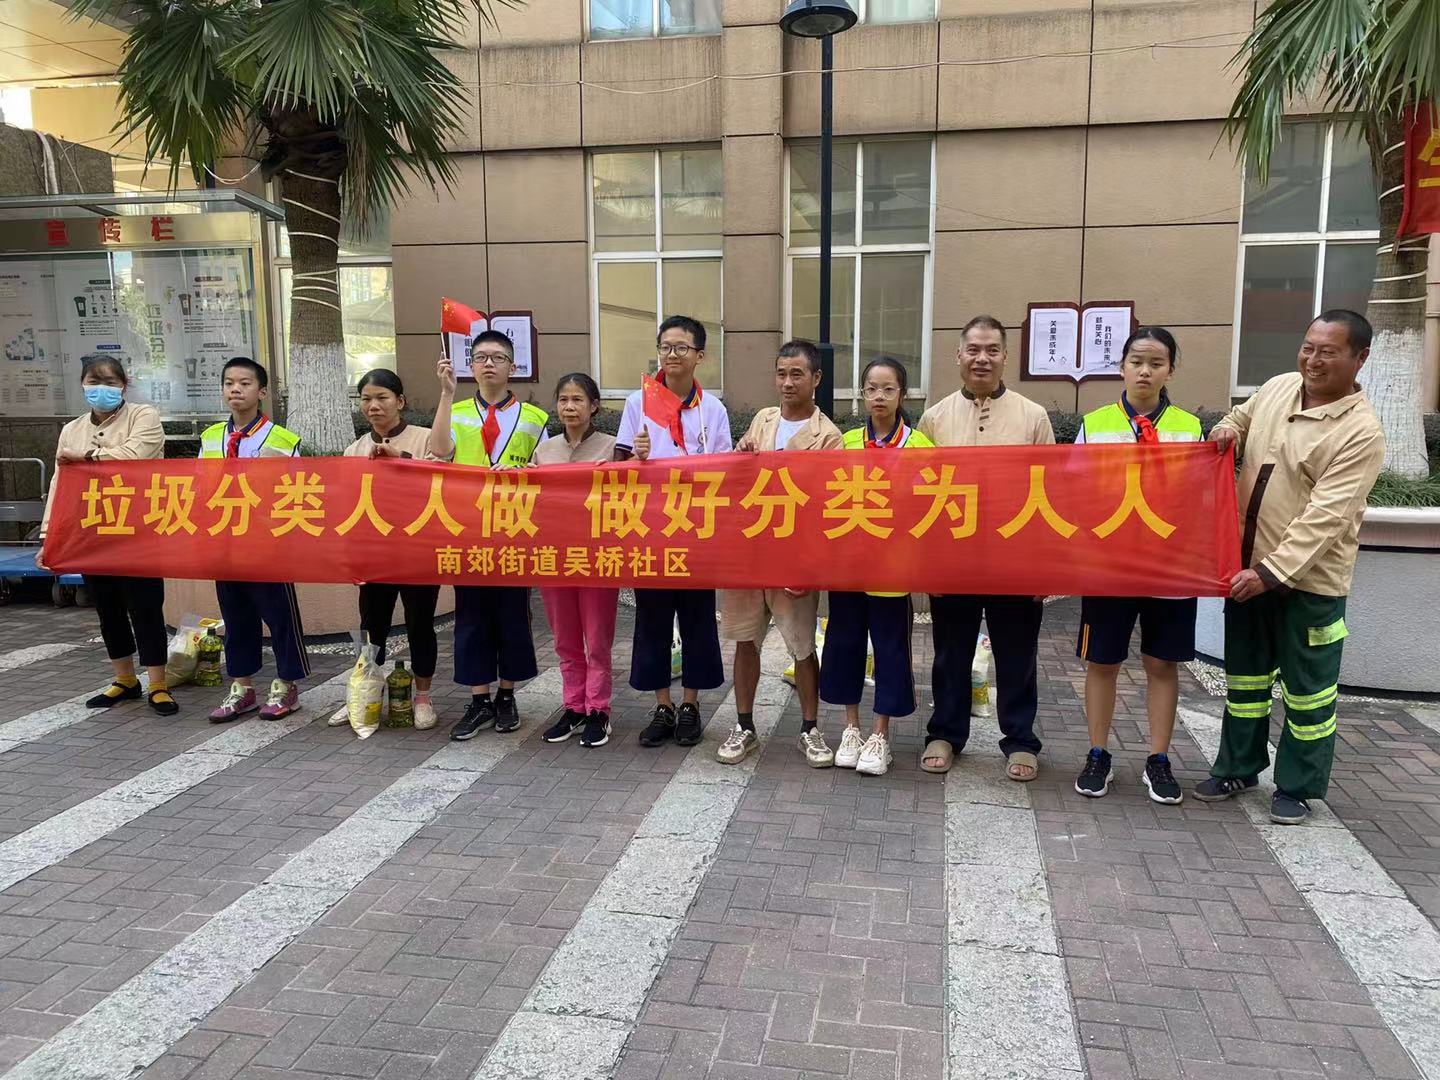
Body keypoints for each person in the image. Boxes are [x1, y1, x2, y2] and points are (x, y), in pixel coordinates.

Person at [1197, 310, 1385, 825]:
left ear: (1359, 358)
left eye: (1328, 352)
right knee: (1246, 682)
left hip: (1310, 585)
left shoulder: (1360, 432)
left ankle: (1297, 787)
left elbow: (1325, 520)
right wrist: (1227, 429)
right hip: (1247, 572)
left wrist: (1268, 574)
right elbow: (1242, 416)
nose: (1313, 360)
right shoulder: (1280, 387)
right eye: (1308, 347)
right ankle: (1238, 768)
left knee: (1308, 694)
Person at [917, 315, 1055, 781]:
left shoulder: (1033, 416)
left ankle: (1020, 740)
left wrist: (1045, 568)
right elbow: (920, 496)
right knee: (949, 654)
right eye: (973, 349)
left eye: (992, 350)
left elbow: (1051, 494)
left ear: (1005, 356)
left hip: (1015, 560)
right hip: (954, 560)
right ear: (958, 354)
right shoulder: (935, 418)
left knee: (1017, 656)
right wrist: (928, 565)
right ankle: (945, 732)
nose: (982, 358)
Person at [1072, 327, 1202, 804]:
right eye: (1136, 361)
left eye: (1156, 363)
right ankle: (1097, 753)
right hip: (1109, 566)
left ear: (1171, 370)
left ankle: (1159, 759)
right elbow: (1075, 492)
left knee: (1161, 663)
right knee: (1102, 661)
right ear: (1121, 367)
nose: (1145, 371)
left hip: (1169, 567)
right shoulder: (1095, 424)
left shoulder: (1190, 428)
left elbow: (1199, 497)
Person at [719, 340, 844, 767]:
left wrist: (810, 567)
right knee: (745, 640)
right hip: (751, 553)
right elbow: (740, 479)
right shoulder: (763, 419)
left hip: (794, 558)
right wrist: (741, 456)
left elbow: (826, 507)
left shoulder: (829, 436)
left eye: (797, 374)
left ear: (816, 379)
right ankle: (744, 725)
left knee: (802, 646)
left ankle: (810, 729)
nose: (787, 383)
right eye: (781, 374)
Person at [615, 315, 732, 748]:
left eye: (681, 347)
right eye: (665, 346)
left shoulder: (713, 409)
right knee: (653, 622)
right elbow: (621, 468)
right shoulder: (638, 402)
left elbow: (726, 470)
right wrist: (638, 457)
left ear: (700, 355)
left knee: (698, 621)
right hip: (650, 532)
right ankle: (662, 706)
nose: (671, 354)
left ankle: (691, 706)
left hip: (695, 533)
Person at [38, 356, 175, 716]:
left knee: (145, 607)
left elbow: (134, 456)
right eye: (94, 382)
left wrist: (84, 457)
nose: (102, 389)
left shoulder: (143, 416)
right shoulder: (71, 429)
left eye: (111, 382)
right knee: (107, 608)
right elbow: (61, 483)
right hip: (93, 531)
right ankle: (125, 680)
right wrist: (50, 535)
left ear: (124, 386)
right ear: (82, 385)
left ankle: (158, 685)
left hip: (139, 529)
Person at [430, 331, 548, 741]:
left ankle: (507, 695)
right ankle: (479, 699)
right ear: (470, 366)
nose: (489, 364)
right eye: (481, 357)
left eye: (498, 357)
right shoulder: (456, 409)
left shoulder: (535, 418)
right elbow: (439, 451)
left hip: (514, 529)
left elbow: (545, 471)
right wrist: (446, 394)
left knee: (513, 617)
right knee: (471, 617)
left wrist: (523, 474)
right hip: (467, 529)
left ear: (512, 366)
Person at [820, 356, 934, 777]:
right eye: (872, 389)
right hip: (849, 569)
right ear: (862, 395)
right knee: (845, 645)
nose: (879, 397)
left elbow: (932, 508)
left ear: (902, 394)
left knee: (890, 651)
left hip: (893, 571)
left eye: (888, 389)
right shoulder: (846, 443)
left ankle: (880, 734)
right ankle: (851, 728)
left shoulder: (920, 446)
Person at [202, 357, 310, 724]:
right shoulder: (210, 437)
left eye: (245, 383)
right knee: (235, 618)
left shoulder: (282, 440)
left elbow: (295, 493)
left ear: (261, 392)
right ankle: (242, 688)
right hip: (225, 541)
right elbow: (199, 486)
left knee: (280, 618)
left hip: (268, 545)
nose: (236, 389)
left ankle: (287, 686)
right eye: (229, 383)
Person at [341, 369, 441, 730]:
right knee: (372, 627)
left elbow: (442, 478)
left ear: (400, 401)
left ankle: (423, 698)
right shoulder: (353, 450)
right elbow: (348, 508)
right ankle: (364, 693)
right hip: (374, 555)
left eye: (382, 397)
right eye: (366, 399)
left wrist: (402, 457)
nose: (373, 405)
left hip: (418, 551)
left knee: (420, 625)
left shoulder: (426, 438)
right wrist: (352, 559)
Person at [534, 373, 620, 748]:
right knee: (565, 639)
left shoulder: (613, 448)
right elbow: (531, 496)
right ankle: (573, 708)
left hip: (598, 557)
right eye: (564, 400)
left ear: (594, 406)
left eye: (578, 400)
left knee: (597, 639)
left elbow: (632, 494)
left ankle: (598, 710)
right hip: (553, 556)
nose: (569, 407)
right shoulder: (544, 451)